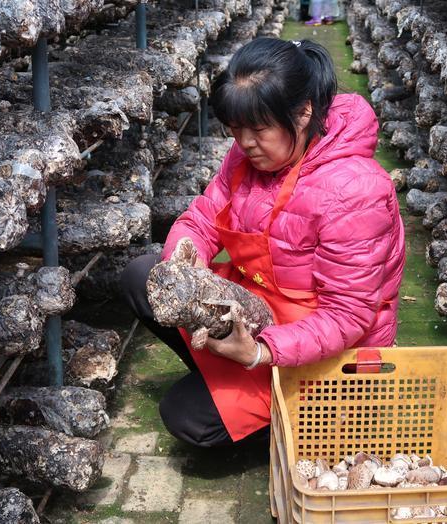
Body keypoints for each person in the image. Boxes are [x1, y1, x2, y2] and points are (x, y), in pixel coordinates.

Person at [121, 38, 406, 448]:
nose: (245, 143)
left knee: (187, 419)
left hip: (327, 352)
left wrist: (260, 353)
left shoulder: (354, 189)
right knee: (145, 276)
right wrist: (185, 255)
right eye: (235, 130)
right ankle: (228, 373)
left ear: (304, 111)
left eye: (257, 129)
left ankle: (310, 419)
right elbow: (202, 217)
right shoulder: (244, 157)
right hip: (260, 307)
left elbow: (347, 316)